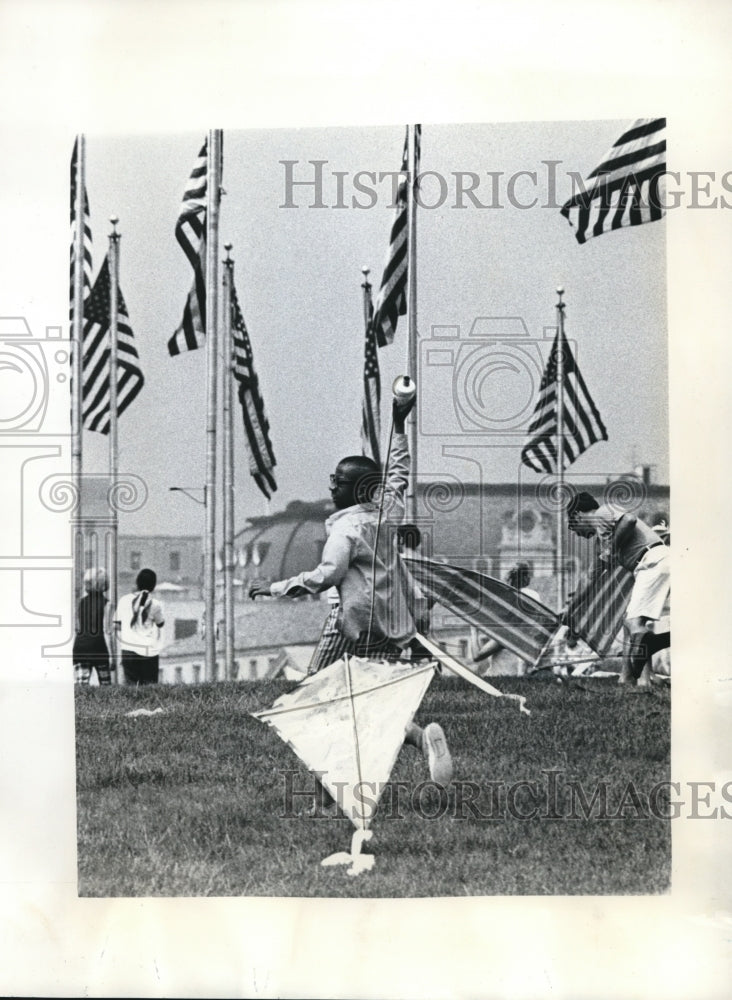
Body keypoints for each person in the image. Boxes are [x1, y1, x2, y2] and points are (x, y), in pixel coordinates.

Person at [249, 395, 453, 789]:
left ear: (357, 491)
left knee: (315, 699)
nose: (331, 487)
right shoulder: (387, 512)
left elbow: (327, 575)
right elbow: (398, 473)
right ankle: (418, 739)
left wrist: (274, 587)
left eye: (337, 482)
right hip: (392, 624)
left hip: (349, 625)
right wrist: (398, 423)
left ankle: (327, 788)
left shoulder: (345, 530)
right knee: (370, 698)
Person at [566, 492, 670, 687]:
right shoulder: (601, 541)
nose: (576, 533)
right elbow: (590, 578)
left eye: (572, 526)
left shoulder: (602, 512)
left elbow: (629, 520)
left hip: (653, 561)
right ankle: (636, 678)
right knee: (632, 622)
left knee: (634, 623)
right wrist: (572, 608)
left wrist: (611, 549)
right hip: (652, 565)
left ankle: (641, 675)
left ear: (578, 515)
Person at [469, 562, 541, 675]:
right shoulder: (531, 635)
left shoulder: (508, 635)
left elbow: (476, 656)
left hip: (499, 682)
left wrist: (474, 631)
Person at [115, 568, 166, 685]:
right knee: (150, 687)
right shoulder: (156, 604)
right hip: (148, 650)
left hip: (128, 650)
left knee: (131, 689)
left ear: (137, 583)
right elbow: (161, 623)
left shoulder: (124, 600)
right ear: (153, 586)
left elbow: (117, 626)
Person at [73, 567, 112, 686]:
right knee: (106, 688)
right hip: (99, 648)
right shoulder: (107, 604)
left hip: (81, 648)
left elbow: (77, 628)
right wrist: (112, 656)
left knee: (81, 688)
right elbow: (108, 631)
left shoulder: (80, 603)